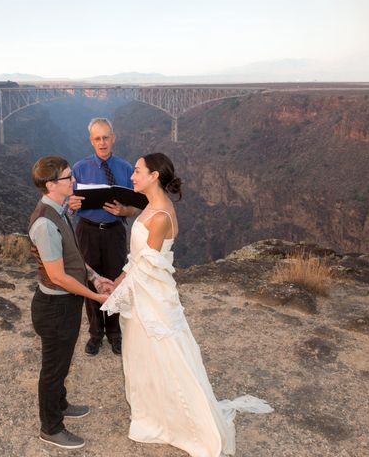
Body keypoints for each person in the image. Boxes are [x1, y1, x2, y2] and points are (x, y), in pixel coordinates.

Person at [101, 153, 273, 457]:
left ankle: (177, 419)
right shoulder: (150, 207)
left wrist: (114, 292)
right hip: (143, 292)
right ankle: (153, 410)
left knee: (163, 354)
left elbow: (145, 268)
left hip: (151, 298)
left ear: (154, 176)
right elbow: (136, 261)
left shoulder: (160, 217)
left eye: (138, 171)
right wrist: (116, 282)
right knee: (143, 354)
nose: (132, 176)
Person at [28, 156, 114, 450]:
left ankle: (60, 404)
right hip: (55, 308)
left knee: (62, 363)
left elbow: (74, 257)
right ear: (51, 185)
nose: (73, 181)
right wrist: (95, 297)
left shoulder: (59, 211)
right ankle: (50, 427)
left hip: (64, 305)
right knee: (53, 368)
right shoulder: (44, 223)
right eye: (67, 178)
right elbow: (59, 277)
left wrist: (96, 277)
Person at [68, 117, 139, 356]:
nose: (102, 142)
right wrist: (71, 204)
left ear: (113, 138)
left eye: (106, 137)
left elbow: (137, 207)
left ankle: (115, 333)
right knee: (91, 281)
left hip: (114, 232)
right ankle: (96, 334)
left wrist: (124, 211)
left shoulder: (126, 169)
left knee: (116, 281)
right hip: (87, 231)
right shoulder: (78, 169)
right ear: (91, 141)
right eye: (97, 138)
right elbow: (68, 206)